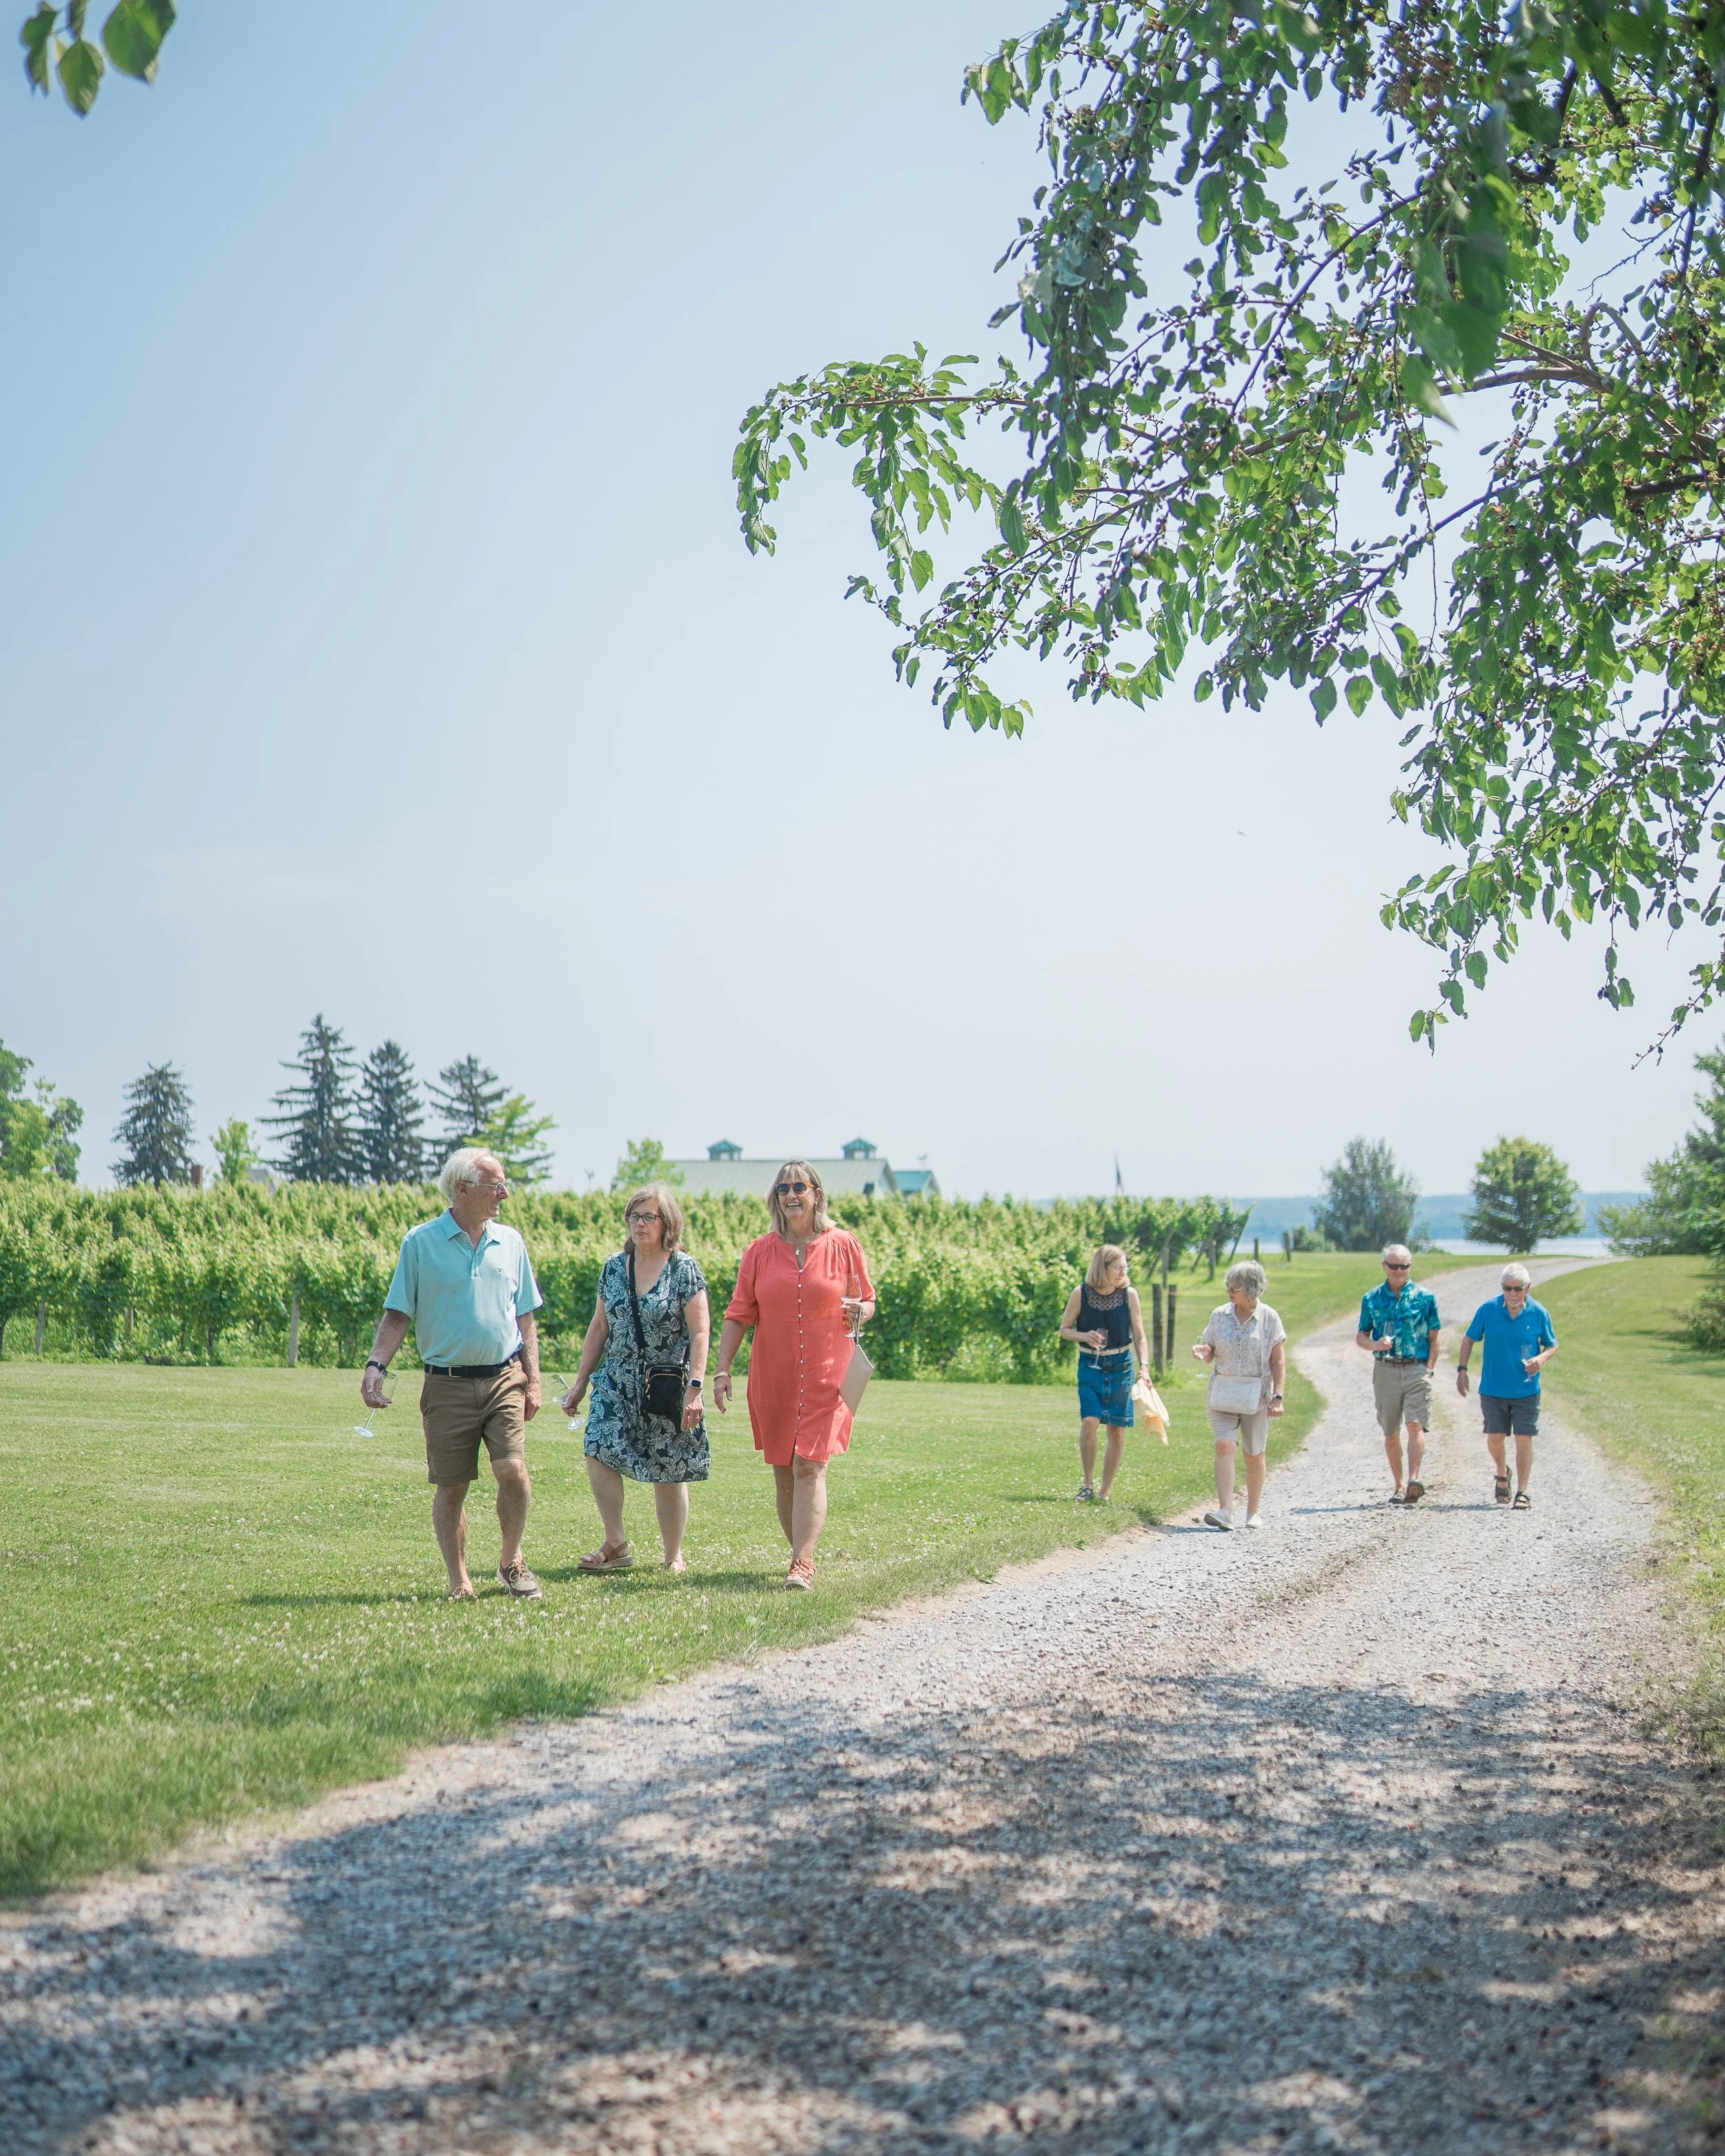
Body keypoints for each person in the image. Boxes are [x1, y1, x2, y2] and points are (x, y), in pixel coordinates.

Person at [362, 1148, 544, 1601]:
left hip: (505, 1376)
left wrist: (534, 1379)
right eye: (496, 1185)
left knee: (513, 1470)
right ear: (462, 1188)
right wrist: (376, 1365)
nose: (504, 1194)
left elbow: (525, 1317)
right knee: (452, 1486)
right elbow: (398, 1313)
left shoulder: (511, 1242)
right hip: (446, 1383)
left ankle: (511, 1561)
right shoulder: (420, 1243)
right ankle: (459, 1578)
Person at [712, 1160, 875, 1590]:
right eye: (783, 1189)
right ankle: (799, 1552)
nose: (791, 1195)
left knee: (809, 1465)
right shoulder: (759, 1251)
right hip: (774, 1376)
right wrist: (722, 1369)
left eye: (800, 1187)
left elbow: (868, 1300)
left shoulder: (844, 1245)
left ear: (816, 1194)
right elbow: (738, 1314)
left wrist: (861, 1312)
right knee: (784, 1469)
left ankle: (803, 1562)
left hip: (828, 1374)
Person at [562, 1183, 710, 1574]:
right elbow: (599, 1327)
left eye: (649, 1217)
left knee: (669, 1467)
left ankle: (673, 1555)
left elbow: (700, 1332)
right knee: (597, 1446)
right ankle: (616, 1543)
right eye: (634, 1216)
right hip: (616, 1379)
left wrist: (695, 1388)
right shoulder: (614, 1266)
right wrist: (581, 1382)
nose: (640, 1224)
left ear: (667, 1223)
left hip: (665, 1383)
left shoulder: (683, 1269)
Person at [1456, 1262, 1558, 1510]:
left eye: (1517, 1289)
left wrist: (1541, 1359)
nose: (1512, 1294)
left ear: (1528, 1288)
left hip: (1526, 1389)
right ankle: (1502, 1473)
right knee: (1495, 1437)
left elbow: (1552, 1344)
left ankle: (1522, 1492)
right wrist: (1462, 1371)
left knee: (1524, 1438)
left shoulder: (1539, 1313)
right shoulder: (1488, 1309)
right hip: (1493, 1388)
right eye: (1507, 1288)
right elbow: (1469, 1340)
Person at [1193, 1258, 1286, 1531]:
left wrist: (1278, 1396)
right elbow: (1210, 1350)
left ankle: (1253, 1511)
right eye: (1228, 1287)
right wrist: (1204, 1353)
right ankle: (1225, 1511)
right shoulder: (1219, 1315)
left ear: (1252, 1289)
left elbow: (1278, 1361)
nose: (1229, 1293)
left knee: (1254, 1454)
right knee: (1224, 1445)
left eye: (1234, 1288)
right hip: (1223, 1393)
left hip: (1256, 1397)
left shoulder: (1269, 1318)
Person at [1058, 1244, 1150, 1502]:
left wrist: (1145, 1367)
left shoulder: (1129, 1295)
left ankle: (1105, 1491)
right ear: (1103, 1268)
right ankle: (1087, 1485)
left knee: (1117, 1430)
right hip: (1090, 1365)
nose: (1123, 1272)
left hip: (1122, 1366)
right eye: (1118, 1268)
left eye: (1125, 1267)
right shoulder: (1081, 1293)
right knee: (1090, 1420)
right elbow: (1065, 1330)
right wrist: (1085, 1336)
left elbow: (1140, 1335)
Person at [1355, 1243, 1443, 1505]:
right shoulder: (1372, 1299)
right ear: (1384, 1267)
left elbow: (1435, 1336)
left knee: (1415, 1424)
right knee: (1391, 1430)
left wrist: (1429, 1368)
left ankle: (1414, 1481)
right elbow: (1361, 1336)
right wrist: (1375, 1345)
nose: (1399, 1271)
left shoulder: (1425, 1298)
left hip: (1416, 1368)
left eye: (1404, 1266)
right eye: (1394, 1266)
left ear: (1410, 1266)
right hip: (1386, 1370)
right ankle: (1399, 1485)